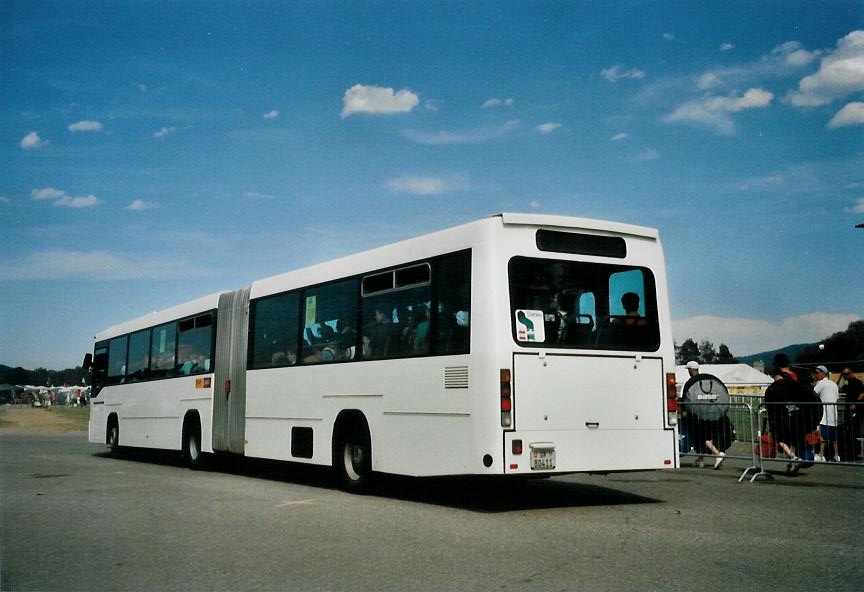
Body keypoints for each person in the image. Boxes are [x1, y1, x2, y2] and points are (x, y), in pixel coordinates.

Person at [680, 362, 733, 469]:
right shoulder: (708, 380)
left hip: (699, 415)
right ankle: (700, 460)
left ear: (691, 370)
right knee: (708, 435)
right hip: (715, 413)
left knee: (701, 437)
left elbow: (685, 400)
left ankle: (717, 454)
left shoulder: (691, 383)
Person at [813, 366, 840, 462]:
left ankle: (821, 454)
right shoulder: (834, 384)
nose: (815, 374)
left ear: (822, 373)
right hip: (833, 412)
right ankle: (836, 455)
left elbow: (813, 394)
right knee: (834, 438)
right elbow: (836, 397)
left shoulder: (821, 383)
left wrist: (814, 383)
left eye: (817, 372)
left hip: (823, 413)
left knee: (822, 436)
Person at [839, 368, 864, 459]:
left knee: (858, 431)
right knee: (851, 431)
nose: (845, 376)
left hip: (857, 410)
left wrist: (855, 403)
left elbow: (862, 394)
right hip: (849, 410)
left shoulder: (857, 382)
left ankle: (861, 452)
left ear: (851, 373)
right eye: (844, 374)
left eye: (847, 374)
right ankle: (854, 450)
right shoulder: (848, 384)